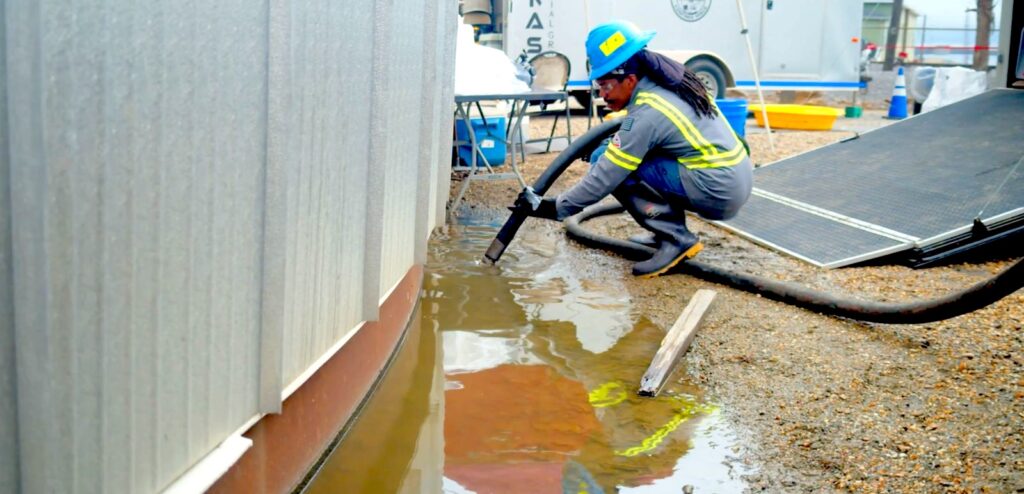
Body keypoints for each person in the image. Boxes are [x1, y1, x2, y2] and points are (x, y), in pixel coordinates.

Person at [515, 20, 753, 278]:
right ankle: (664, 232)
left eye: (605, 86)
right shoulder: (670, 84)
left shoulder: (647, 113)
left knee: (610, 163)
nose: (602, 95)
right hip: (733, 178)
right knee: (609, 153)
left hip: (716, 190)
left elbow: (606, 175)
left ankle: (676, 239)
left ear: (629, 79)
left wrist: (554, 208)